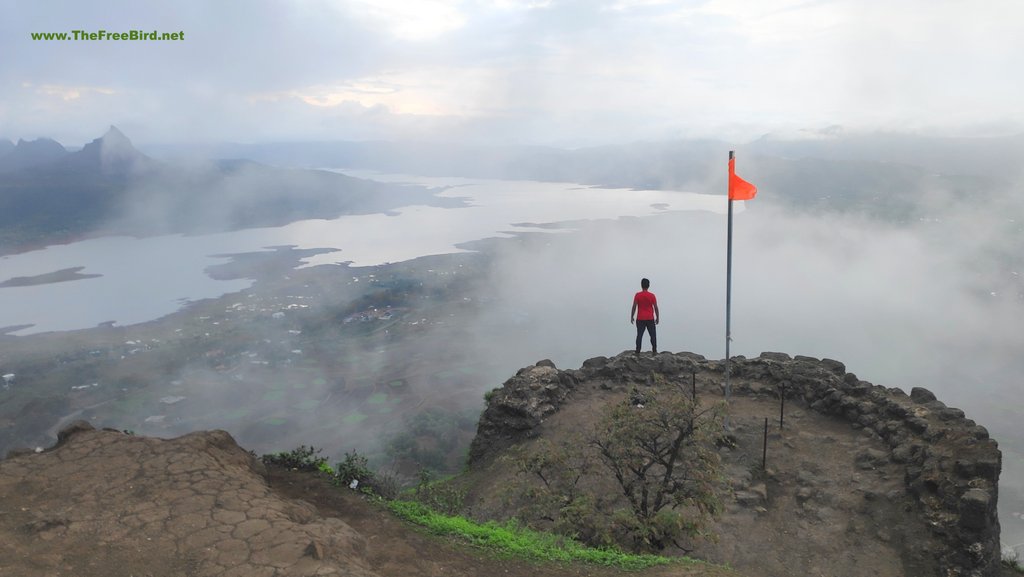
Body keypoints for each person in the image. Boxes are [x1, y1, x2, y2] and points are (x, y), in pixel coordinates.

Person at [630, 278, 659, 355]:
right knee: (653, 335)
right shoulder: (652, 296)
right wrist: (657, 317)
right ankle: (654, 350)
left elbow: (634, 306)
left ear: (641, 285)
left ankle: (637, 350)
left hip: (640, 318)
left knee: (639, 335)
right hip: (650, 318)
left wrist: (632, 316)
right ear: (648, 285)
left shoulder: (638, 295)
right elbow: (656, 307)